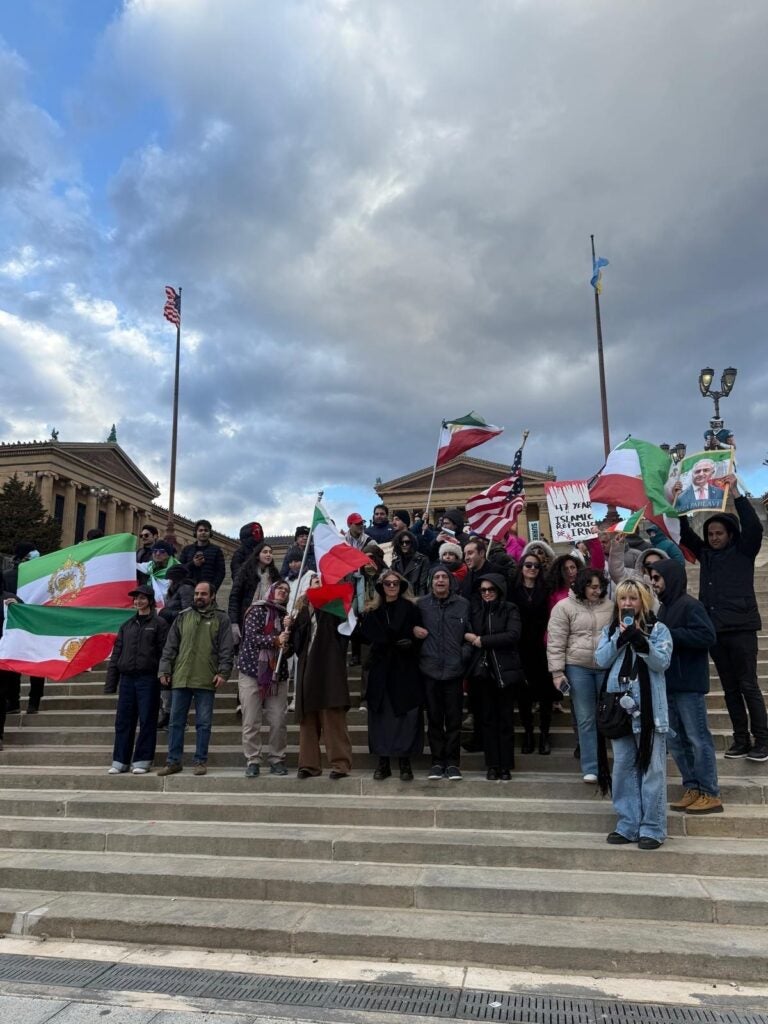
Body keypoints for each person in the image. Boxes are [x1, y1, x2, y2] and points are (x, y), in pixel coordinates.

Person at [679, 475, 768, 762]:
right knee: (730, 688)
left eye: (719, 533)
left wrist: (739, 496)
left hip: (741, 629)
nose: (714, 538)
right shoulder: (705, 555)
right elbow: (686, 537)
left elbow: (754, 526)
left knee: (748, 685)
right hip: (716, 631)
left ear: (730, 534)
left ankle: (763, 741)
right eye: (711, 534)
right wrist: (682, 506)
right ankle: (740, 739)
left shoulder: (744, 550)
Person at [595, 580, 673, 849]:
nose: (627, 603)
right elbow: (601, 660)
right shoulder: (610, 630)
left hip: (650, 711)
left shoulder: (659, 630)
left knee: (652, 770)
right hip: (620, 710)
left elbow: (661, 662)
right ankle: (628, 823)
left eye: (633, 598)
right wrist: (620, 638)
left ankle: (652, 827)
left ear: (643, 600)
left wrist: (641, 641)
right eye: (623, 599)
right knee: (623, 768)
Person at [650, 560, 723, 814]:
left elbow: (707, 636)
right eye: (653, 578)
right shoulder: (663, 608)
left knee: (697, 739)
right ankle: (692, 786)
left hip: (689, 685)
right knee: (677, 741)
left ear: (671, 578)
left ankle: (710, 792)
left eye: (658, 578)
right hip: (668, 684)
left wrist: (671, 635)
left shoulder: (691, 605)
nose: (654, 583)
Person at [157, 581, 235, 776]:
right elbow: (170, 646)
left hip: (206, 678)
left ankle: (200, 761)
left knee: (203, 723)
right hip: (181, 677)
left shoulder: (221, 618)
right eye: (197, 594)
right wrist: (164, 670)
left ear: (213, 596)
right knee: (175, 722)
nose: (199, 597)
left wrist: (224, 672)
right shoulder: (183, 617)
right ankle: (173, 761)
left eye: (203, 594)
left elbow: (227, 648)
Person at [547, 567, 614, 783]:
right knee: (585, 718)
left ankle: (606, 760)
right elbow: (556, 642)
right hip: (578, 667)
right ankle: (591, 766)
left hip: (605, 666)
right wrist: (557, 672)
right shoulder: (563, 607)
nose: (597, 590)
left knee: (607, 715)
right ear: (582, 586)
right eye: (592, 586)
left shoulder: (611, 606)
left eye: (600, 587)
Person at [287, 573, 352, 779]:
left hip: (329, 668)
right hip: (307, 669)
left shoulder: (333, 607)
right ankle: (308, 764)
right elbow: (295, 646)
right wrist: (290, 626)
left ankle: (340, 764)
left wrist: (324, 601)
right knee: (307, 719)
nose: (319, 584)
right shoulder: (302, 611)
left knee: (332, 717)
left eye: (323, 582)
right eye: (316, 582)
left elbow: (344, 629)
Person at [361, 569, 423, 781]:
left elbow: (420, 635)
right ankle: (383, 762)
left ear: (401, 586)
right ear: (381, 587)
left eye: (395, 583)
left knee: (405, 717)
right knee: (381, 718)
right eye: (387, 583)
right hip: (381, 669)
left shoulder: (411, 609)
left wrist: (413, 641)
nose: (392, 587)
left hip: (404, 668)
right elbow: (366, 637)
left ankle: (405, 763)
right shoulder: (373, 612)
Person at [463, 573, 525, 780]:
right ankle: (492, 764)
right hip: (482, 673)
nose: (487, 593)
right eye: (483, 590)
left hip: (505, 671)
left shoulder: (510, 609)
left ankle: (505, 764)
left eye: (491, 589)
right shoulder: (475, 610)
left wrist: (483, 641)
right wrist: (474, 639)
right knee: (487, 720)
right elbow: (466, 632)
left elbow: (513, 635)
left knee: (505, 720)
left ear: (498, 590)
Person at [105, 584, 169, 775]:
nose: (138, 601)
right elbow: (117, 654)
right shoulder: (127, 625)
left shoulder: (159, 624)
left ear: (149, 600)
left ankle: (142, 759)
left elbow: (164, 651)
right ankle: (120, 760)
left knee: (147, 719)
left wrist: (164, 674)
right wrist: (111, 682)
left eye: (142, 598)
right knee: (123, 720)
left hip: (148, 678)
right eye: (136, 598)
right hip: (127, 678)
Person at [415, 566, 470, 779]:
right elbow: (413, 630)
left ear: (450, 581)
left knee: (454, 720)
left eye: (444, 577)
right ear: (431, 581)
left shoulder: (463, 605)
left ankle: (453, 763)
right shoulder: (421, 605)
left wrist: (462, 655)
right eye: (436, 577)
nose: (440, 580)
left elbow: (469, 633)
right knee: (435, 720)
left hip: (454, 671)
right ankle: (437, 762)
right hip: (429, 670)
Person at [238, 579, 291, 777]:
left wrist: (286, 645)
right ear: (271, 590)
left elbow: (291, 646)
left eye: (286, 590)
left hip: (277, 674)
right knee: (251, 720)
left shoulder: (287, 617)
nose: (283, 592)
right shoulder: (256, 610)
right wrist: (275, 640)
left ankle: (277, 758)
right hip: (252, 671)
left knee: (278, 719)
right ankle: (253, 759)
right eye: (280, 588)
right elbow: (251, 637)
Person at [509, 551, 556, 754]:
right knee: (524, 695)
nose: (532, 569)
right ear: (521, 567)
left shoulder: (546, 590)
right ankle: (528, 733)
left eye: (536, 566)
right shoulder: (513, 590)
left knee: (545, 695)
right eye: (528, 565)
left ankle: (544, 734)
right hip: (520, 647)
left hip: (543, 647)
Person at [1, 542, 46, 714]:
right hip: (30, 624)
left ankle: (14, 702)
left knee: (18, 663)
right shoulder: (41, 575)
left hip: (18, 626)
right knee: (32, 663)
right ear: (24, 556)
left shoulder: (9, 575)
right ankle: (31, 702)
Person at [228, 542, 282, 641]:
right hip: (247, 617)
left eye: (270, 552)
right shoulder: (244, 572)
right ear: (257, 555)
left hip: (268, 618)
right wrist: (234, 622)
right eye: (265, 552)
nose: (268, 554)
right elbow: (235, 597)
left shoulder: (275, 575)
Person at [180, 520, 226, 591]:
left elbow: (220, 572)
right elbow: (180, 568)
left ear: (210, 533)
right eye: (200, 530)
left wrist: (212, 588)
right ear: (196, 532)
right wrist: (193, 563)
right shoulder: (187, 550)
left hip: (207, 590)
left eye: (206, 530)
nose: (203, 532)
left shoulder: (217, 550)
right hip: (188, 589)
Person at [391, 530, 429, 596]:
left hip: (415, 596)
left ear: (412, 543)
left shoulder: (422, 560)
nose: (404, 545)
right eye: (401, 542)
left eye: (407, 542)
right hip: (400, 598)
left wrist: (420, 602)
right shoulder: (396, 562)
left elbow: (422, 585)